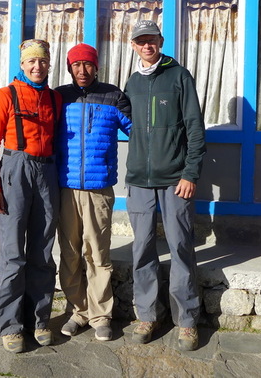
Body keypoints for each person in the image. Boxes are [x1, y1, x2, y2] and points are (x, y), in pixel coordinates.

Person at [123, 20, 206, 352]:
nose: (147, 45)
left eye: (151, 39)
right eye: (140, 41)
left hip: (175, 181)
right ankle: (146, 314)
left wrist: (190, 174)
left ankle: (186, 320)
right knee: (142, 249)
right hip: (139, 182)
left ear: (161, 40)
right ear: (132, 45)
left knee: (180, 247)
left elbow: (195, 130)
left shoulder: (179, 76)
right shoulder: (131, 82)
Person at [0, 39, 62, 354]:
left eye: (42, 61)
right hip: (16, 171)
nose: (37, 67)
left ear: (48, 64)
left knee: (43, 251)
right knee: (13, 253)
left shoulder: (56, 99)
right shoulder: (6, 95)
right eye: (31, 61)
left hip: (47, 172)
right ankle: (11, 325)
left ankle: (38, 319)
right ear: (22, 64)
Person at [54, 43, 132, 342]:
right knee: (70, 253)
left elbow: (138, 130)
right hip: (65, 187)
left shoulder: (113, 96)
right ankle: (78, 311)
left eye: (88, 65)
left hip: (99, 188)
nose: (82, 71)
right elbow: (33, 119)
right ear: (69, 68)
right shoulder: (59, 97)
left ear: (96, 67)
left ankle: (101, 315)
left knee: (98, 253)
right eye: (76, 65)